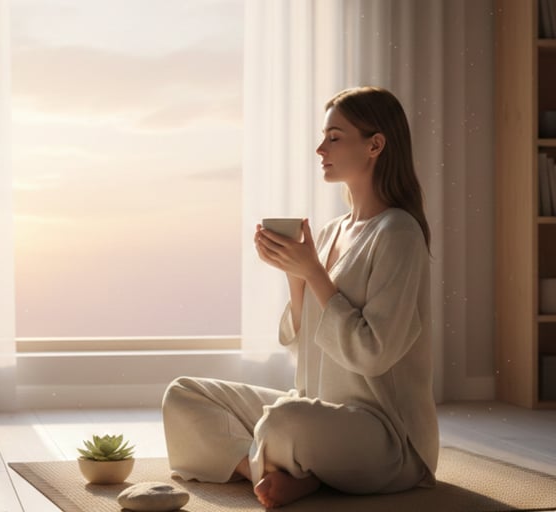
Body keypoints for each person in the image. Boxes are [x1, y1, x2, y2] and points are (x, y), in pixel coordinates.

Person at [161, 86, 438, 509]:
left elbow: (372, 354)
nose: (319, 148)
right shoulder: (329, 233)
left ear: (375, 145)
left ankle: (289, 469)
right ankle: (280, 473)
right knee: (183, 394)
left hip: (385, 437)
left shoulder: (398, 233)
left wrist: (313, 272)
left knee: (283, 421)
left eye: (334, 137)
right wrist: (296, 277)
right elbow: (300, 343)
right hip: (317, 411)